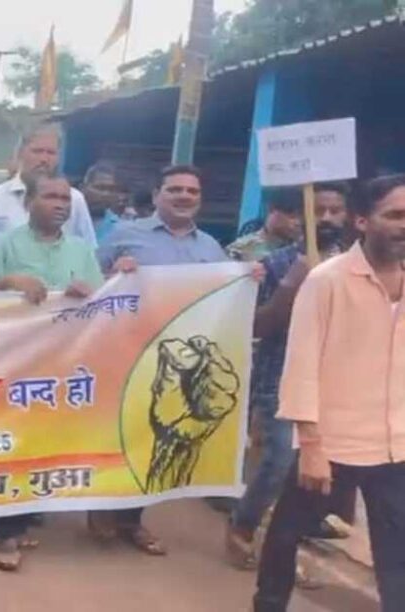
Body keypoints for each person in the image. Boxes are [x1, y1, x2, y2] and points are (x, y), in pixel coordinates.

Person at [253, 174, 405, 612]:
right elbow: (300, 366)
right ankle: (267, 604)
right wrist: (312, 445)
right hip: (332, 441)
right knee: (287, 532)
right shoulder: (327, 281)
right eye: (393, 215)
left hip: (394, 445)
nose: (403, 225)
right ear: (362, 220)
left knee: (396, 551)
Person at [0, 172, 102, 571]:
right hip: (13, 365)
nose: (61, 203)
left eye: (66, 198)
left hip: (63, 366)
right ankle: (6, 532)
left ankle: (22, 518)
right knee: (14, 443)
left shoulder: (80, 250)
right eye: (51, 196)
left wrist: (86, 292)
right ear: (29, 204)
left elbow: (101, 300)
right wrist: (8, 280)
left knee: (44, 444)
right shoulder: (3, 245)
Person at [92, 164, 230, 556]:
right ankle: (101, 507)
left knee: (153, 438)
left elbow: (225, 294)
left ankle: (132, 520)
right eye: (175, 190)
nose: (184, 196)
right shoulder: (126, 236)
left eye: (192, 191)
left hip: (183, 362)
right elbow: (88, 279)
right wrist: (112, 272)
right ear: (156, 196)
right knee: (117, 431)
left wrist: (247, 278)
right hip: (127, 352)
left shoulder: (211, 248)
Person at [225, 182, 352, 579]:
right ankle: (244, 523)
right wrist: (295, 281)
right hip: (280, 378)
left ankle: (282, 549)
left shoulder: (358, 266)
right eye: (319, 210)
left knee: (315, 471)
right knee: (279, 463)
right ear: (301, 217)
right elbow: (258, 325)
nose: (327, 218)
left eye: (335, 210)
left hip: (339, 384)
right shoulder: (276, 264)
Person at [0, 125, 97, 273]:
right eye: (37, 151)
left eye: (51, 153)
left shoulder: (74, 199)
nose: (44, 159)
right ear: (21, 153)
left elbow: (89, 254)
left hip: (62, 292)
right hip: (7, 293)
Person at [227, 188, 303, 262]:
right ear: (271, 209)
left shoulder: (303, 249)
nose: (298, 222)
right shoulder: (239, 250)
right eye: (292, 216)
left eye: (301, 218)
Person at [81, 163, 127, 244]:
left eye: (111, 189)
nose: (105, 194)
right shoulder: (66, 221)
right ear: (83, 188)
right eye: (100, 188)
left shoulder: (121, 229)